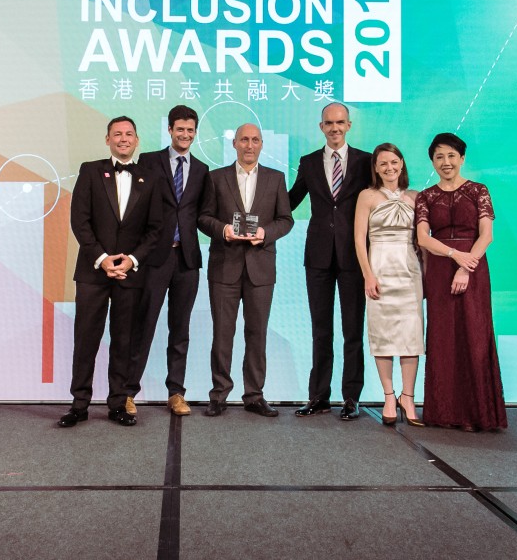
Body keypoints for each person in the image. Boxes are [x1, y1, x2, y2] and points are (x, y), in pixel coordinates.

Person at [58, 116, 162, 428]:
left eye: (129, 134)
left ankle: (118, 403)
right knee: (85, 339)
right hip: (93, 272)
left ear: (137, 140)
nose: (123, 139)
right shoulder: (90, 170)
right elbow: (80, 220)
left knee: (124, 341)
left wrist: (132, 260)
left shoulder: (150, 178)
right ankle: (79, 405)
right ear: (107, 140)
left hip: (130, 273)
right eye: (117, 134)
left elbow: (155, 229)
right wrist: (102, 258)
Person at [198, 123, 293, 417]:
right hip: (224, 267)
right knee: (222, 334)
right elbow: (203, 217)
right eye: (244, 140)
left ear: (262, 144)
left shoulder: (276, 178)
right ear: (234, 144)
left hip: (260, 269)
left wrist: (265, 233)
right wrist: (223, 230)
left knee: (257, 334)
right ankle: (219, 394)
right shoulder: (215, 178)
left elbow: (286, 220)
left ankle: (254, 395)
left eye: (254, 140)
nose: (249, 145)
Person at [414, 133, 507, 431]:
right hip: (440, 270)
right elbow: (423, 238)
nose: (446, 162)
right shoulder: (426, 196)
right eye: (439, 157)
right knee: (443, 339)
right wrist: (455, 255)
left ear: (462, 158)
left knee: (475, 336)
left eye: (451, 155)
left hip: (473, 269)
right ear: (432, 161)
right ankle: (444, 414)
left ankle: (478, 415)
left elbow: (486, 235)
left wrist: (466, 267)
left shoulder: (479, 190)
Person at [289, 103, 372, 420]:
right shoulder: (309, 162)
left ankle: (351, 398)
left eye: (340, 122)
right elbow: (291, 199)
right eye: (329, 123)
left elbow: (381, 198)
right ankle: (319, 397)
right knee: (320, 331)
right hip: (318, 256)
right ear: (321, 126)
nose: (335, 128)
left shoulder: (366, 161)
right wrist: (252, 210)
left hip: (354, 256)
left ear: (349, 125)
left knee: (353, 331)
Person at [125, 105, 209, 417]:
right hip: (154, 258)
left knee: (180, 329)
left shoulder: (202, 170)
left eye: (190, 130)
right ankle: (127, 392)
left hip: (187, 260)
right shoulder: (148, 161)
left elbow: (203, 213)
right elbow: (135, 206)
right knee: (143, 325)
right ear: (170, 129)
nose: (185, 134)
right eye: (180, 129)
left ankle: (176, 393)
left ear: (195, 133)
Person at [354, 143, 425, 427]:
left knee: (411, 337)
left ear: (402, 163)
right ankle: (388, 396)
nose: (389, 168)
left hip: (409, 272)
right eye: (383, 163)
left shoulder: (416, 197)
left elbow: (422, 240)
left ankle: (408, 396)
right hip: (379, 271)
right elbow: (359, 239)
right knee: (382, 336)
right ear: (375, 167)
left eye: (394, 162)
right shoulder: (367, 196)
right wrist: (368, 275)